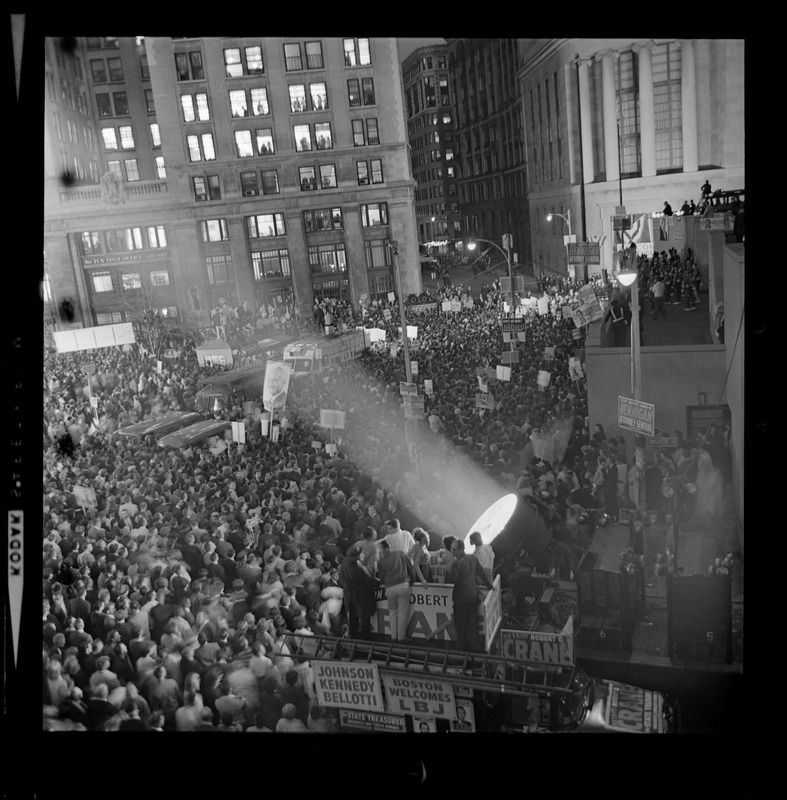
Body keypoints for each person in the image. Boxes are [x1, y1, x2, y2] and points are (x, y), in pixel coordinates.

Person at [446, 539, 493, 653]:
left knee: (461, 625)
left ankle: (461, 649)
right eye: (451, 549)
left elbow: (451, 580)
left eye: (454, 550)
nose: (452, 552)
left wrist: (449, 567)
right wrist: (490, 586)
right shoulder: (472, 558)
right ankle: (475, 646)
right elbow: (482, 573)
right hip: (473, 596)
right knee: (473, 623)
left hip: (460, 599)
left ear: (461, 549)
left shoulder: (456, 563)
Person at [377, 540, 422, 642]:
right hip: (403, 586)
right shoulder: (400, 553)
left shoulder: (381, 561)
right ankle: (401, 638)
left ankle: (393, 637)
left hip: (389, 589)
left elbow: (382, 578)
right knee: (402, 613)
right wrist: (412, 581)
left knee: (392, 613)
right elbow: (410, 568)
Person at [337, 543, 377, 639]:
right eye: (362, 553)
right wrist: (380, 582)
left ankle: (353, 640)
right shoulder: (358, 568)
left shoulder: (345, 561)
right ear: (358, 555)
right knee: (364, 621)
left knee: (353, 620)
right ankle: (366, 643)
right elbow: (370, 581)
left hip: (349, 597)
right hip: (361, 598)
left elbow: (341, 579)